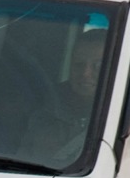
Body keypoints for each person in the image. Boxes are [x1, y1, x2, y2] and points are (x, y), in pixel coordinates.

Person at [19, 26, 109, 165]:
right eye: (79, 64)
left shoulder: (126, 116)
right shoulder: (43, 107)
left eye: (97, 66)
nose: (85, 73)